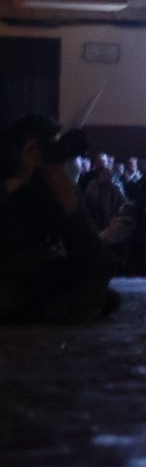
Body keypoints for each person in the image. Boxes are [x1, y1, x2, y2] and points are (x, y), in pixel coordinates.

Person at [0, 117, 116, 323]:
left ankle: (45, 308)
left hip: (36, 274)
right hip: (9, 271)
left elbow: (92, 254)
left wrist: (71, 205)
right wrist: (18, 181)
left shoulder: (50, 187)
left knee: (102, 284)